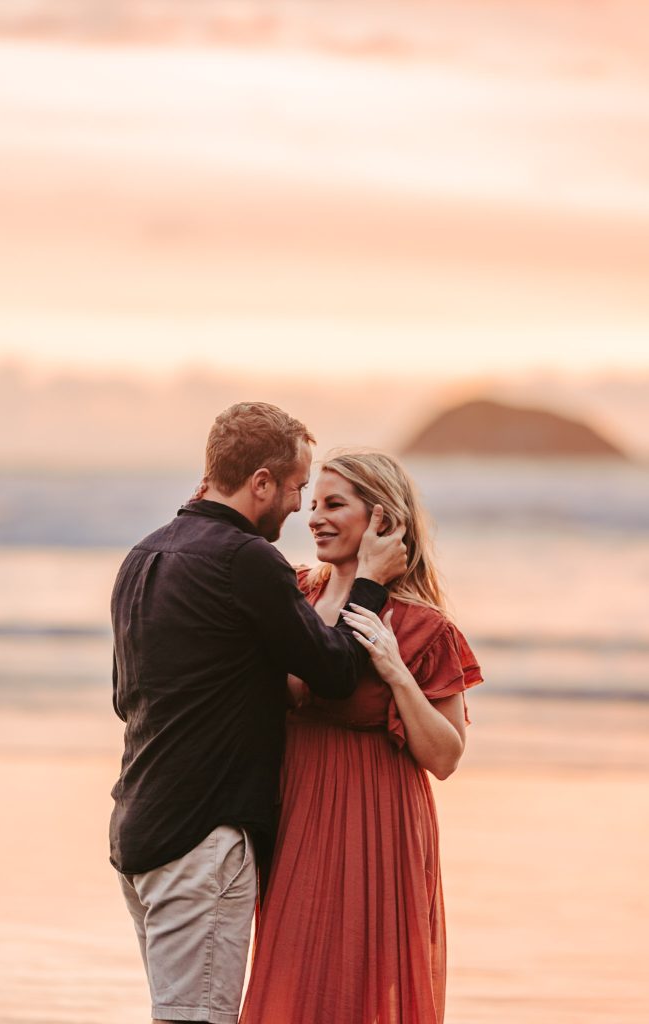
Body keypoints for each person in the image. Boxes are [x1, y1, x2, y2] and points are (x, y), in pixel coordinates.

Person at [109, 404, 407, 1024]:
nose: (300, 506)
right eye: (298, 487)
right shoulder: (244, 558)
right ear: (262, 482)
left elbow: (125, 698)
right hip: (204, 836)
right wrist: (371, 583)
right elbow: (332, 671)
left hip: (138, 830)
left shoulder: (143, 556)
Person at [240, 449, 483, 1024]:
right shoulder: (294, 591)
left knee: (361, 978)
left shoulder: (426, 627)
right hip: (295, 812)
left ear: (383, 520)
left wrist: (396, 671)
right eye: (314, 503)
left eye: (335, 505)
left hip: (376, 823)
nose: (315, 517)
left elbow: (446, 757)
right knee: (292, 976)